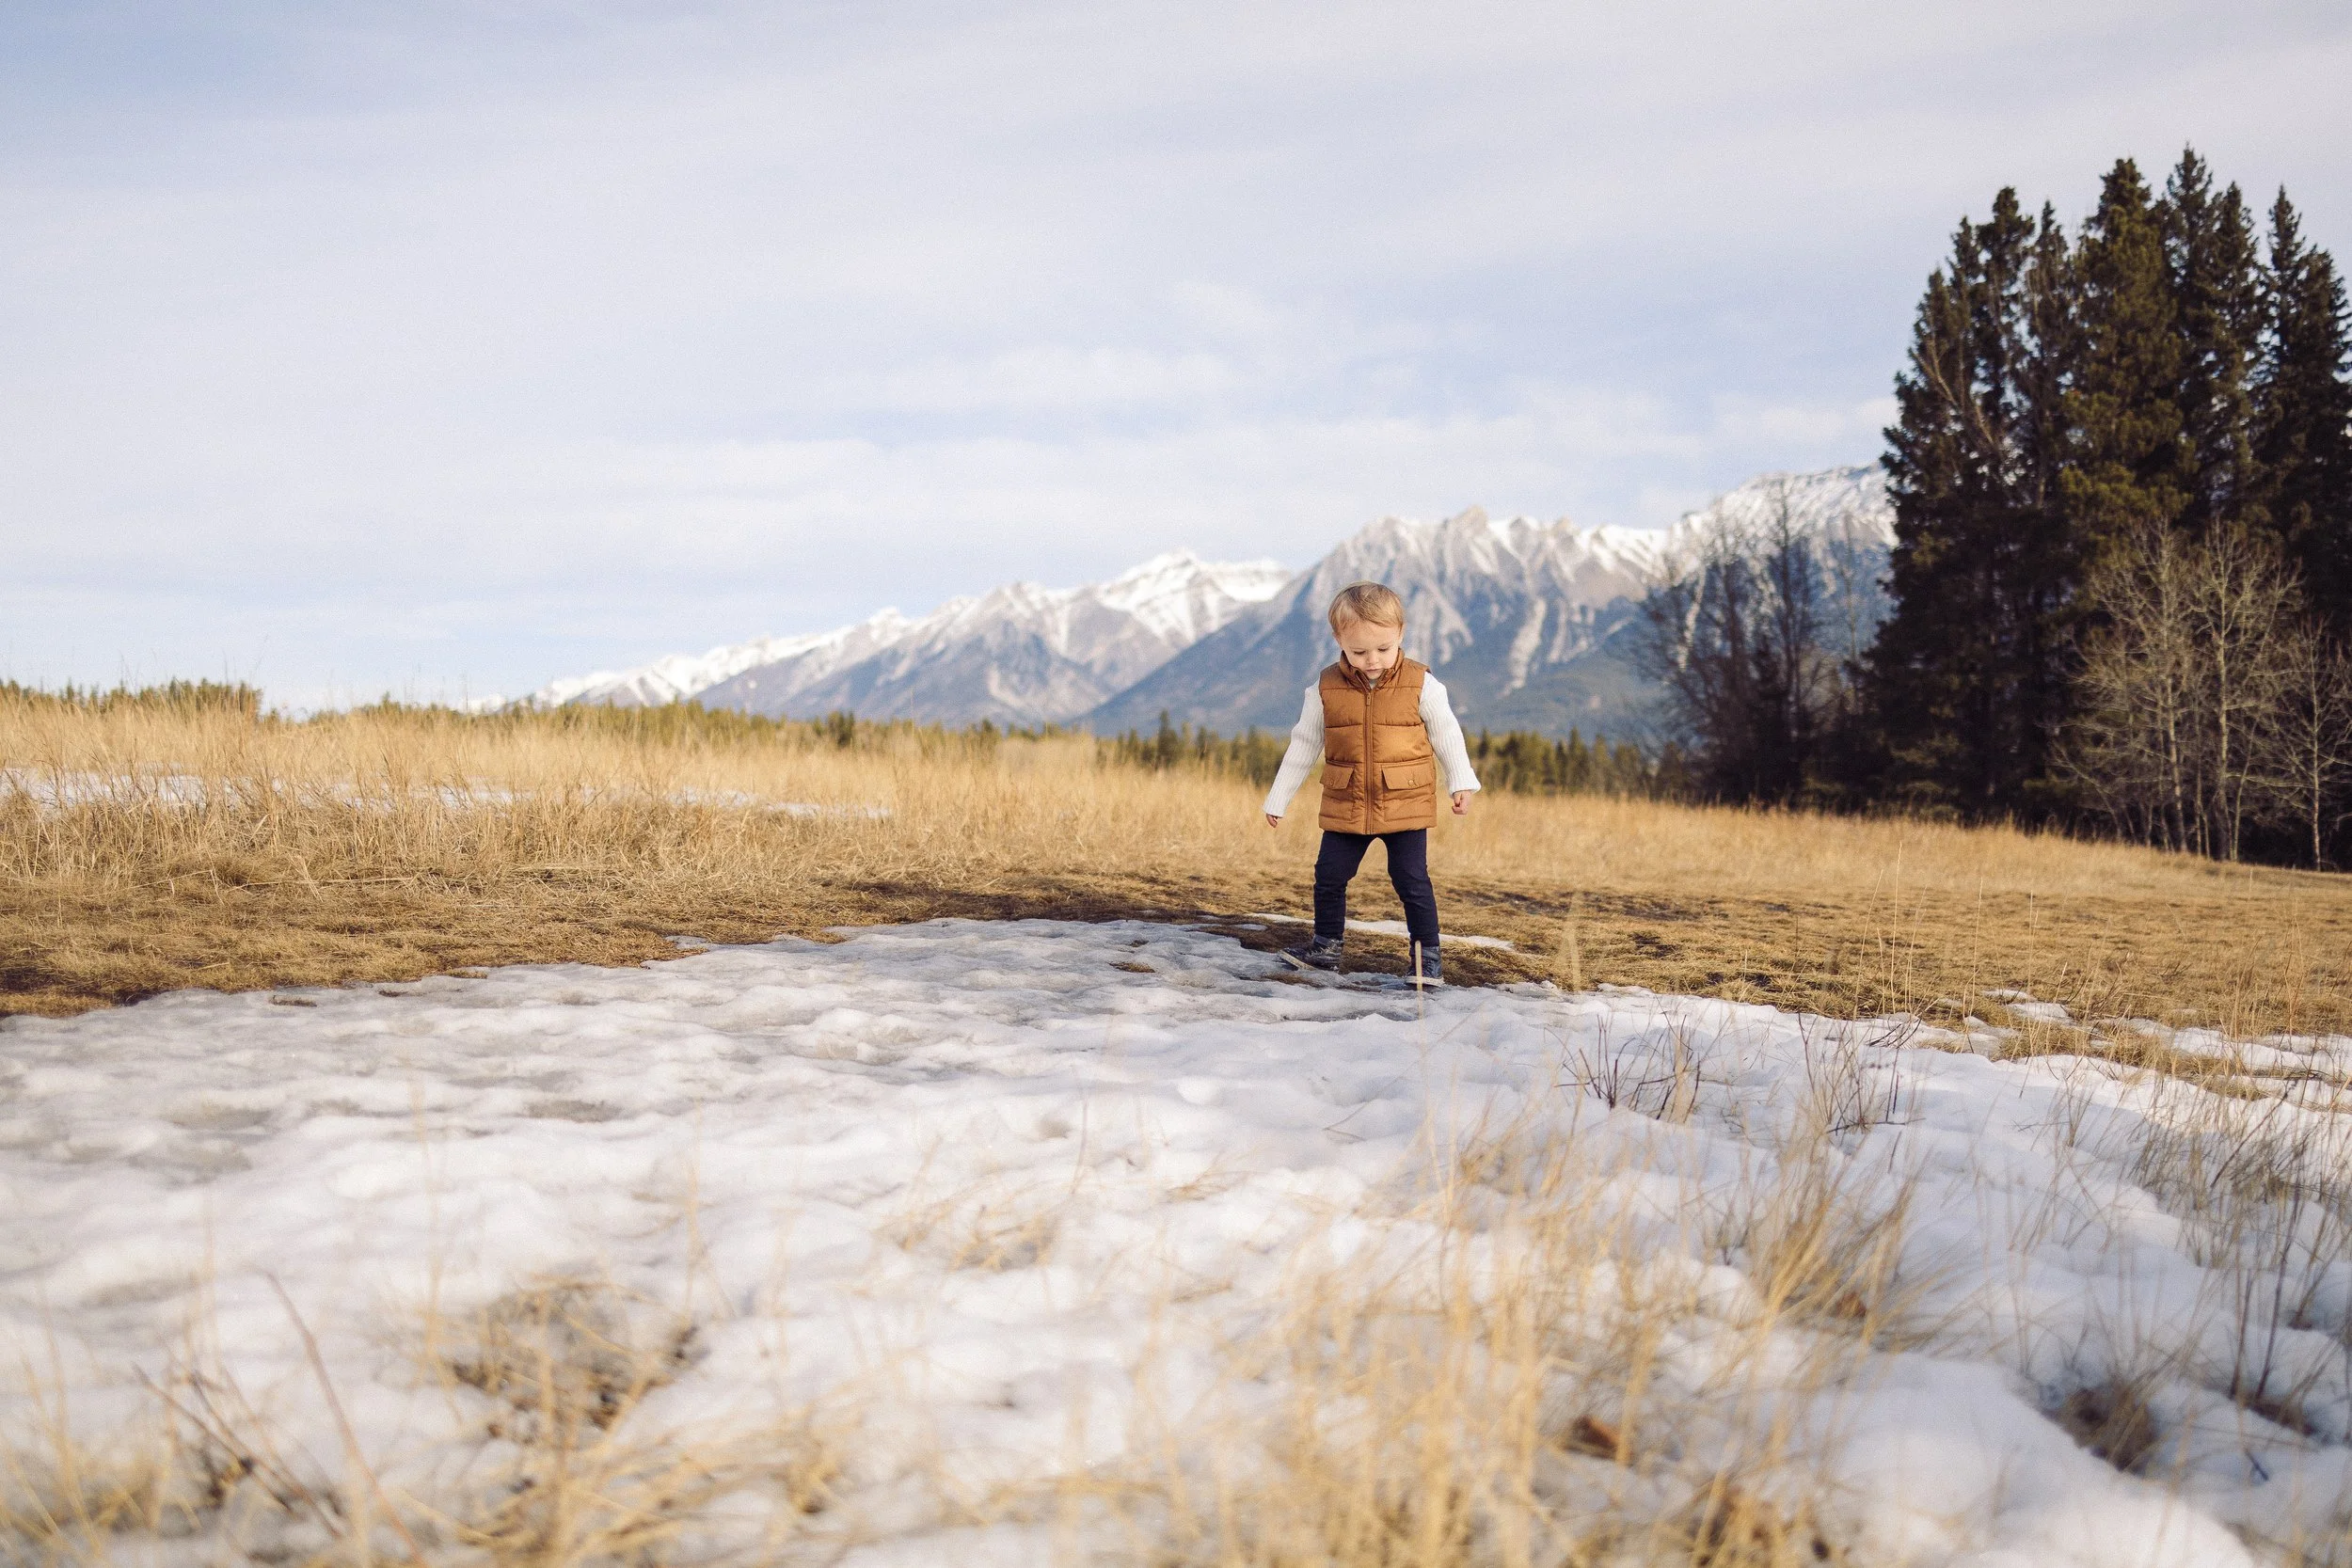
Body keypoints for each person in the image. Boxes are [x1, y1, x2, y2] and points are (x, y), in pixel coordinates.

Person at [1262, 580, 1480, 986]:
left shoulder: (1422, 683)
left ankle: (1425, 959)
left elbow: (1446, 734)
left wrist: (1460, 782)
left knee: (1411, 879)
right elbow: (1304, 743)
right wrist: (1279, 797)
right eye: (1358, 651)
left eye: (1383, 648)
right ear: (1338, 639)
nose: (1372, 660)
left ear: (1400, 634)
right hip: (1347, 799)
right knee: (1329, 874)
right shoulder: (1325, 688)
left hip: (1404, 799)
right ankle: (1325, 948)